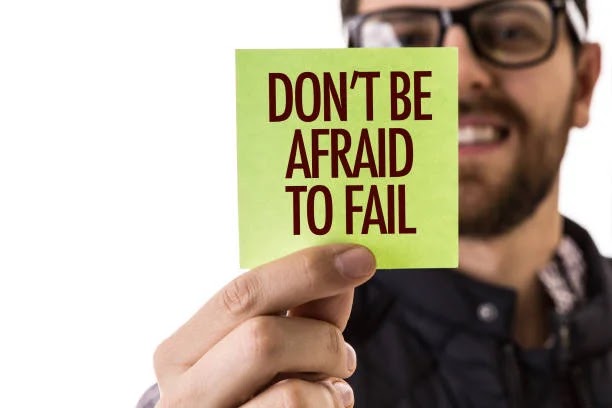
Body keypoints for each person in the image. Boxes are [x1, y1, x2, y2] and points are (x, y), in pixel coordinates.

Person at [138, 0, 609, 406]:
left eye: (510, 31)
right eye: (403, 39)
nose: (462, 71)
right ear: (357, 82)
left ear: (584, 82)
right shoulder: (274, 375)